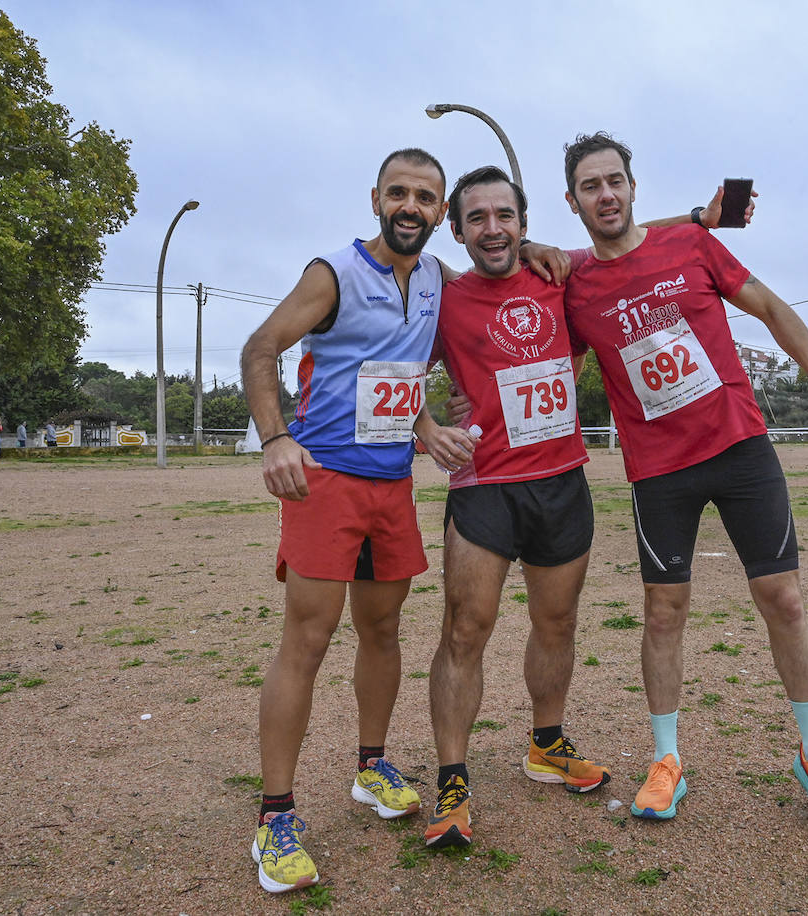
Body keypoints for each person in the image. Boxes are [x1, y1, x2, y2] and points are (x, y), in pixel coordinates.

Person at [560, 132, 808, 838]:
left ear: (633, 187)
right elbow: (556, 367)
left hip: (740, 447)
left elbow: (773, 309)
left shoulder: (692, 247)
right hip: (659, 470)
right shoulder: (574, 285)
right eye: (588, 185)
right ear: (571, 201)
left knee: (782, 598)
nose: (604, 194)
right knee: (664, 612)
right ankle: (667, 761)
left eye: (614, 181)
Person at [239, 148, 479, 894]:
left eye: (427, 197)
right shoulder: (333, 274)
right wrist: (277, 438)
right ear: (376, 198)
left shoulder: (439, 280)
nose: (412, 206)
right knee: (306, 640)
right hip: (328, 483)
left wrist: (425, 427)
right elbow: (261, 348)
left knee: (381, 633)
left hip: (390, 489)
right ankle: (275, 817)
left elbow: (401, 369)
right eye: (400, 193)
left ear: (443, 213)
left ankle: (371, 768)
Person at [421, 166, 615, 850]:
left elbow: (632, 243)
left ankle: (546, 744)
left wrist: (705, 217)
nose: (493, 228)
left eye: (505, 215)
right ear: (458, 230)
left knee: (556, 621)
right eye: (477, 218)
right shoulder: (442, 301)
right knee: (465, 631)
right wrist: (425, 425)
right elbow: (393, 361)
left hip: (561, 480)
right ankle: (451, 780)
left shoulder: (560, 277)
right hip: (484, 486)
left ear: (525, 223)